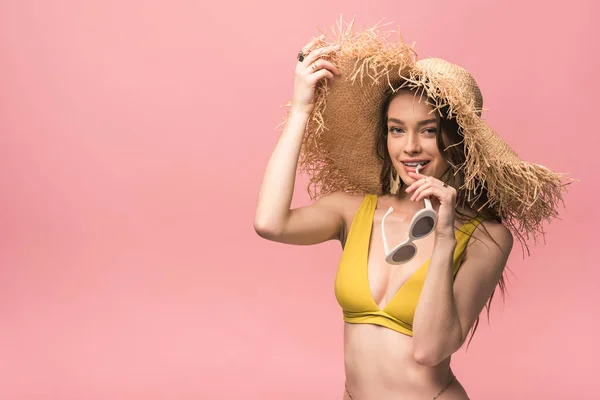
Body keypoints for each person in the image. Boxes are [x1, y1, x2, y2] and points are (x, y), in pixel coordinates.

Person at [254, 21, 568, 400]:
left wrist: (443, 235)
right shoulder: (353, 211)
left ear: (457, 140)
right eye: (396, 129)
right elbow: (270, 223)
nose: (411, 147)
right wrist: (302, 110)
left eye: (429, 130)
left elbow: (430, 350)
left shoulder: (485, 237)